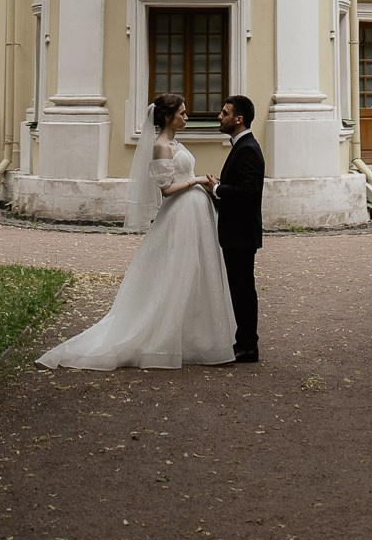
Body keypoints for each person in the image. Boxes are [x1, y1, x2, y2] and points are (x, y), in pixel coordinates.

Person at [36, 94, 236, 371]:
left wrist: (202, 185)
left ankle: (195, 338)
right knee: (174, 272)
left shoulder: (175, 143)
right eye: (182, 113)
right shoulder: (161, 146)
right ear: (168, 117)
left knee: (194, 271)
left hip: (194, 212)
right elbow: (166, 190)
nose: (187, 117)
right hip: (179, 214)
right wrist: (198, 180)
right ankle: (160, 337)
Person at [202, 95, 265, 363]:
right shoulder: (242, 146)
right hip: (237, 232)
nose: (219, 116)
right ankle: (244, 342)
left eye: (225, 113)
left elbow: (248, 192)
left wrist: (216, 188)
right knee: (240, 289)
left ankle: (248, 346)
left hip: (241, 233)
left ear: (238, 119)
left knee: (243, 290)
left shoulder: (248, 148)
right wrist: (219, 185)